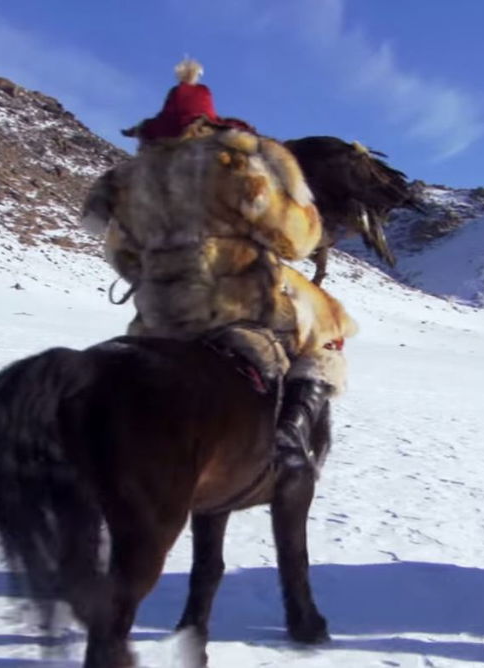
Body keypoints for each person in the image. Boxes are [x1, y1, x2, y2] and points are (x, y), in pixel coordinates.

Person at [82, 60, 353, 474]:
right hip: (238, 308)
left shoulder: (129, 180)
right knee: (328, 329)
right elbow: (295, 240)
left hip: (159, 317)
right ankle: (292, 435)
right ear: (211, 123)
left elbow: (121, 255)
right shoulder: (239, 165)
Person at [122, 57, 256, 141]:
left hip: (180, 127)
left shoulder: (177, 90)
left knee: (148, 130)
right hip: (207, 122)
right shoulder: (204, 90)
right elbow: (211, 114)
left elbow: (166, 115)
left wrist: (143, 127)